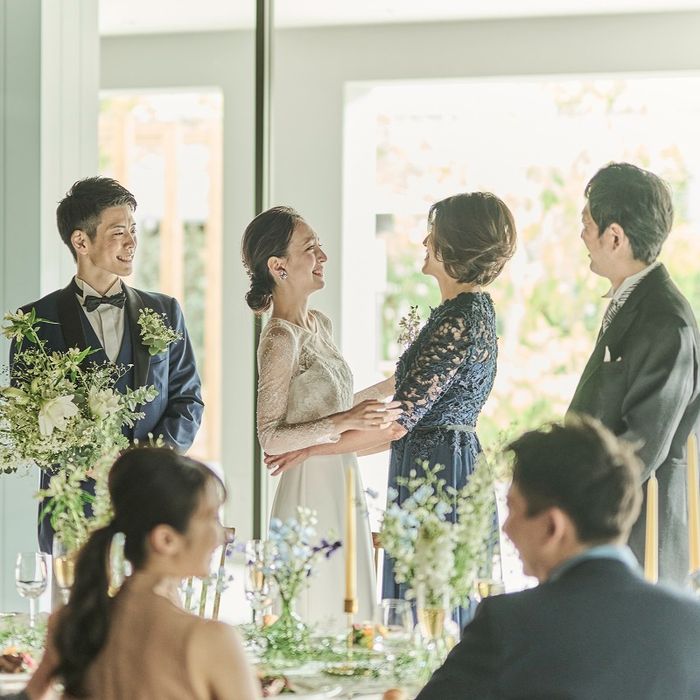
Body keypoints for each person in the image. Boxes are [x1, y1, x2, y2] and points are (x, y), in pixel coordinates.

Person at [416, 417, 700, 700]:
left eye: (512, 509)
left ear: (553, 527)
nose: (506, 528)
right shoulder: (690, 622)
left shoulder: (507, 624)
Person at [10, 177, 204, 554]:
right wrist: (87, 461)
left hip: (151, 507)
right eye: (118, 232)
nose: (132, 242)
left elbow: (188, 401)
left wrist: (144, 463)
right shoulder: (35, 323)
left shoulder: (165, 311)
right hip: (72, 511)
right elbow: (29, 422)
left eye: (133, 230)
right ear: (81, 242)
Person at [242, 206, 401, 630]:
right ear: (278, 266)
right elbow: (270, 436)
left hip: (342, 476)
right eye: (310, 248)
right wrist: (346, 420)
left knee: (351, 602)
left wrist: (390, 385)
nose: (323, 256)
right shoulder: (279, 338)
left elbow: (339, 408)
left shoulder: (320, 324)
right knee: (317, 602)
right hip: (308, 485)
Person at [23, 448, 259, 700]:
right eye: (211, 518)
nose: (223, 535)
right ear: (165, 539)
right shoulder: (210, 641)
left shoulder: (71, 623)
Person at [569, 162, 700, 584]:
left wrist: (568, 499)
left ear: (614, 236)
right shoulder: (636, 302)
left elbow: (642, 443)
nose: (582, 236)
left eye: (587, 224)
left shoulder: (666, 321)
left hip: (641, 540)